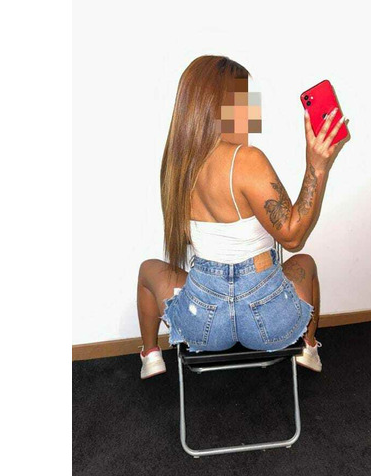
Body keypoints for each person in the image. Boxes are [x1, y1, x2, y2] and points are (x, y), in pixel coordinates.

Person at [136, 55, 348, 380]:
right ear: (219, 105)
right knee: (305, 262)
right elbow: (292, 238)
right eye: (245, 100)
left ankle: (151, 355)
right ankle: (308, 348)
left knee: (147, 270)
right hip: (268, 324)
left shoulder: (176, 167)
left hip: (203, 327)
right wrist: (317, 167)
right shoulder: (247, 160)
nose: (252, 110)